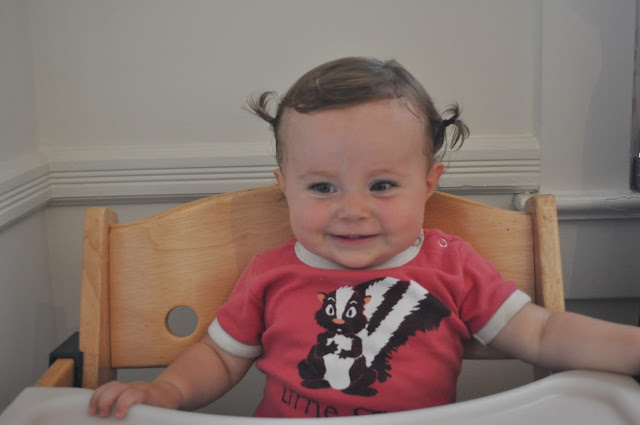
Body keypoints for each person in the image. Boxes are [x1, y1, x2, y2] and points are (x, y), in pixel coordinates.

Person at [89, 57, 640, 419]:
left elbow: (542, 333)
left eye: (381, 185)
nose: (352, 210)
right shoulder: (270, 272)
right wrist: (166, 392)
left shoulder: (451, 265)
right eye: (322, 187)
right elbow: (219, 356)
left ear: (428, 184)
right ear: (285, 187)